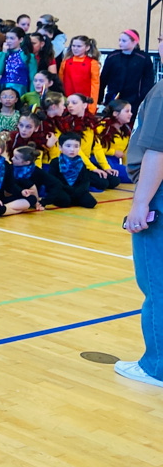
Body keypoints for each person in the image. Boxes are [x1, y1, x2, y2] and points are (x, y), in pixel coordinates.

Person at [117, 56, 163, 388]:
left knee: (157, 283)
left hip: (159, 194)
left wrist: (140, 202)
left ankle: (157, 367)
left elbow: (157, 151)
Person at [101, 29, 156, 114]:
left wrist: (143, 98)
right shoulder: (112, 56)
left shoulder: (143, 58)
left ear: (134, 42)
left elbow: (148, 81)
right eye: (119, 40)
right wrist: (99, 98)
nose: (120, 43)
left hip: (134, 99)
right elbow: (103, 78)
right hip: (113, 96)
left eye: (124, 41)